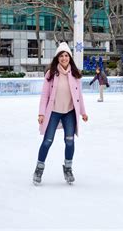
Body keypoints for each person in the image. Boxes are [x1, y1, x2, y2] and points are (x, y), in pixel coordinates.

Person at [33, 42, 88, 185]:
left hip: (69, 112)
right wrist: (41, 113)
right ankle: (39, 169)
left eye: (66, 55)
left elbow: (79, 95)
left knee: (70, 141)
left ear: (69, 57)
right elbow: (44, 95)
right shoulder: (51, 74)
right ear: (57, 58)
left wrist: (83, 112)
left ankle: (68, 169)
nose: (64, 58)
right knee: (47, 141)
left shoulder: (75, 75)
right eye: (61, 56)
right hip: (53, 112)